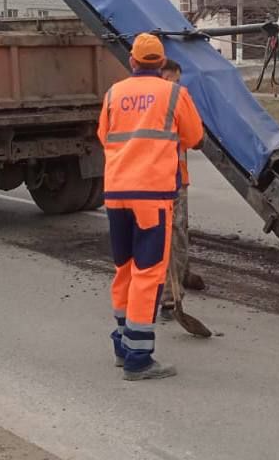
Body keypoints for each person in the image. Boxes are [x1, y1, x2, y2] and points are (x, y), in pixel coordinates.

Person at [98, 33, 204, 381]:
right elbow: (194, 137)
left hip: (116, 193)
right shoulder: (174, 93)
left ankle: (122, 344)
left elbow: (103, 136)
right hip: (151, 197)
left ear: (132, 61)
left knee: (125, 269)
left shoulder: (113, 93)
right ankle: (139, 358)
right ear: (161, 63)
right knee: (148, 273)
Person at [159, 58, 206, 321]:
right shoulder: (176, 95)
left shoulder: (121, 93)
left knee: (144, 236)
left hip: (133, 180)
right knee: (174, 234)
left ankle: (145, 295)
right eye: (175, 79)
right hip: (170, 178)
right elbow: (196, 138)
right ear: (169, 75)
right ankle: (170, 299)